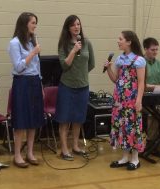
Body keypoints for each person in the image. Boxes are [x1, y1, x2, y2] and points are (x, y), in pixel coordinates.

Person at [55, 15, 95, 161]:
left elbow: (91, 64)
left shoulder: (87, 43)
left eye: (78, 24)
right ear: (68, 28)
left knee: (78, 118)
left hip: (83, 86)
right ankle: (64, 149)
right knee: (65, 119)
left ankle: (76, 146)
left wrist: (81, 74)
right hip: (67, 86)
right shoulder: (63, 44)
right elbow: (64, 66)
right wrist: (73, 51)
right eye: (73, 25)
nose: (76, 27)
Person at [104, 31, 145, 170]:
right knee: (122, 126)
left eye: (120, 39)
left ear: (129, 42)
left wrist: (139, 100)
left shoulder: (139, 60)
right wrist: (108, 68)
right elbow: (116, 79)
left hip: (132, 99)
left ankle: (135, 159)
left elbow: (141, 82)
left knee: (133, 127)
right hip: (119, 100)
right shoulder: (120, 59)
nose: (118, 41)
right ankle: (125, 157)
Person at [8, 12, 44, 168]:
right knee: (22, 120)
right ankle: (17, 155)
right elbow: (19, 67)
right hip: (22, 83)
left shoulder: (32, 42)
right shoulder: (14, 43)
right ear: (24, 24)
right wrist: (33, 53)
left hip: (35, 82)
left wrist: (41, 84)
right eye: (33, 23)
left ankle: (30, 152)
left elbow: (37, 66)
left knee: (34, 119)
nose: (35, 26)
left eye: (36, 23)